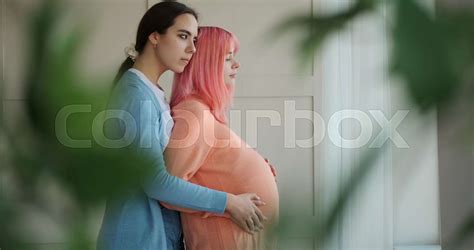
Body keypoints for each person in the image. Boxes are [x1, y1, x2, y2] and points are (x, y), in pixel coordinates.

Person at [97, 3, 266, 250]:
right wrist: (229, 202)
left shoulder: (153, 94)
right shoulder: (136, 96)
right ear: (154, 36)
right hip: (137, 240)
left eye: (195, 40)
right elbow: (156, 182)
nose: (192, 49)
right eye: (183, 36)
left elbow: (181, 166)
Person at [162, 26, 279, 250]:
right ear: (206, 65)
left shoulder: (203, 112)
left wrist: (255, 168)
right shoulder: (194, 113)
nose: (236, 64)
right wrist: (229, 204)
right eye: (227, 58)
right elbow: (169, 188)